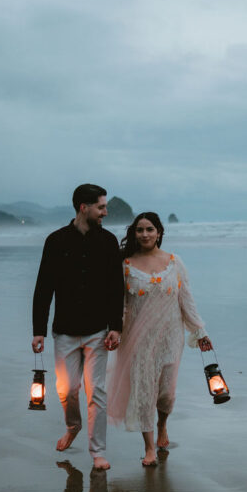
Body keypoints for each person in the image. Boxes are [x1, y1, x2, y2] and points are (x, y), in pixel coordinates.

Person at [108, 212, 212, 466]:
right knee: (144, 392)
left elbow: (186, 299)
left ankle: (162, 424)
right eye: (140, 230)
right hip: (138, 339)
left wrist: (200, 333)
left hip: (170, 338)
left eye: (150, 229)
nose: (144, 234)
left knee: (166, 394)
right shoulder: (125, 265)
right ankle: (149, 448)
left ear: (159, 233)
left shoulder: (174, 263)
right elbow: (119, 304)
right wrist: (115, 331)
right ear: (134, 233)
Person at [32, 184, 123, 471]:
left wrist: (115, 327)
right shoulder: (56, 241)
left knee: (95, 390)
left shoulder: (108, 242)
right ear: (84, 207)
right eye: (101, 207)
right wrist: (38, 330)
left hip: (98, 330)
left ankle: (98, 452)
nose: (105, 212)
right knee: (67, 388)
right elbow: (43, 287)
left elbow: (115, 288)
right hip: (64, 330)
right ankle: (73, 426)